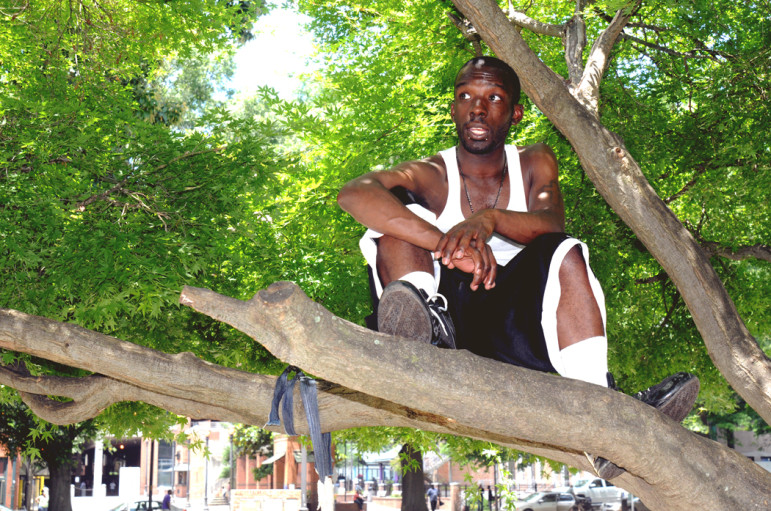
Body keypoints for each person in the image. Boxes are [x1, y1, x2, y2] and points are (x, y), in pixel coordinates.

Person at [337, 56, 700, 479]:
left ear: (515, 114)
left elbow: (550, 224)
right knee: (396, 215)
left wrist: (488, 220)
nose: (477, 108)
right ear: (453, 109)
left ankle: (601, 410)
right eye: (466, 97)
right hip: (445, 315)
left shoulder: (534, 161)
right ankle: (419, 328)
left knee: (565, 251)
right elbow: (354, 194)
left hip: (514, 327)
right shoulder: (432, 173)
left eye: (493, 97)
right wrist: (447, 244)